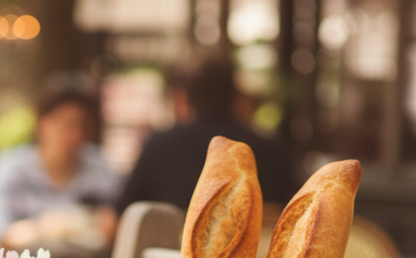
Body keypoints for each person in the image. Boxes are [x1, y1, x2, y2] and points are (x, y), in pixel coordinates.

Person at [117, 58, 296, 215]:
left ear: (182, 98)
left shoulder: (160, 146)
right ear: (235, 97)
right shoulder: (273, 150)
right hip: (255, 254)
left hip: (176, 254)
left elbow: (119, 218)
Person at [0, 76, 120, 251]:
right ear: (42, 124)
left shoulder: (99, 166)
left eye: (82, 126)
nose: (76, 135)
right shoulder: (9, 169)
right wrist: (43, 228)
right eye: (67, 125)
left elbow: (118, 222)